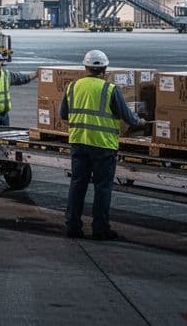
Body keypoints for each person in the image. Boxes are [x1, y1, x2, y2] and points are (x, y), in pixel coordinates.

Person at [61, 49, 148, 241]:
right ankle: (100, 229)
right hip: (103, 146)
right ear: (105, 69)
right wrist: (140, 122)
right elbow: (128, 117)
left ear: (86, 67)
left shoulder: (72, 87)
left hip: (78, 142)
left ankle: (73, 226)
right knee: (102, 188)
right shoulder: (110, 89)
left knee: (77, 185)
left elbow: (63, 115)